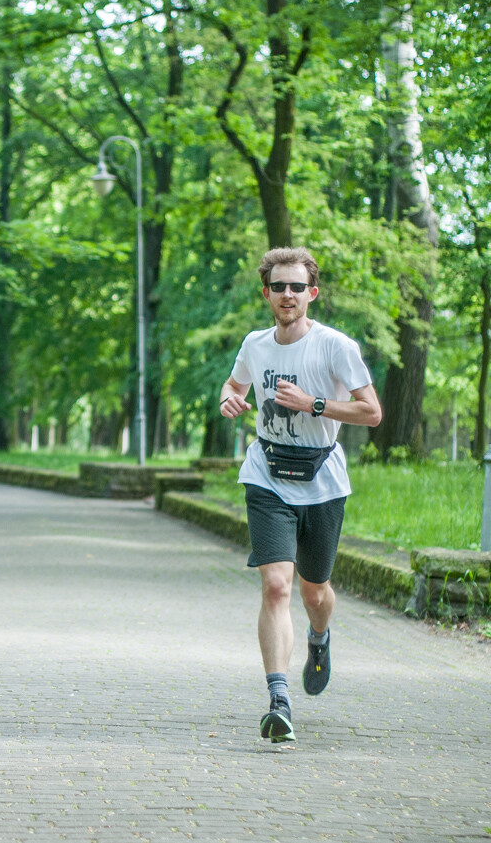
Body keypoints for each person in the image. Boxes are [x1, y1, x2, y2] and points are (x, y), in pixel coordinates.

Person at [219, 246, 382, 744]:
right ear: (266, 292)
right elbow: (234, 382)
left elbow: (371, 412)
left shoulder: (336, 347)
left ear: (312, 293)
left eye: (296, 287)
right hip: (266, 473)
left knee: (314, 592)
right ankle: (279, 699)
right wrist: (231, 397)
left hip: (321, 481)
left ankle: (319, 637)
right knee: (275, 586)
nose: (287, 295)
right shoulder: (255, 343)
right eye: (278, 286)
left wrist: (314, 404)